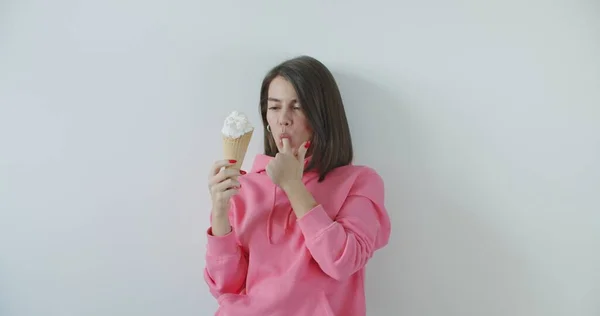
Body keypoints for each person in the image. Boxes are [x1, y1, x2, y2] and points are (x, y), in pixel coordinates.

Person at [204, 55, 391, 316]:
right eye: (274, 107)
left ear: (321, 115)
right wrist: (221, 214)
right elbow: (226, 288)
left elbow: (342, 262)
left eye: (297, 106)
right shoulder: (242, 186)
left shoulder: (360, 182)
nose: (284, 119)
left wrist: (293, 186)